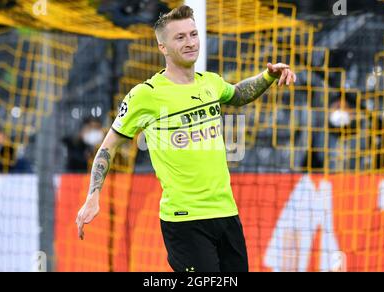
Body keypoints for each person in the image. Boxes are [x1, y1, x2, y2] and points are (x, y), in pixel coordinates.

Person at [76, 5, 296, 272]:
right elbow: (107, 148)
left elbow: (238, 94)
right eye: (180, 37)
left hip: (226, 214)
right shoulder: (145, 95)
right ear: (163, 47)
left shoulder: (210, 82)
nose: (190, 42)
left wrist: (267, 76)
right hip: (184, 221)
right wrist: (93, 194)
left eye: (193, 34)